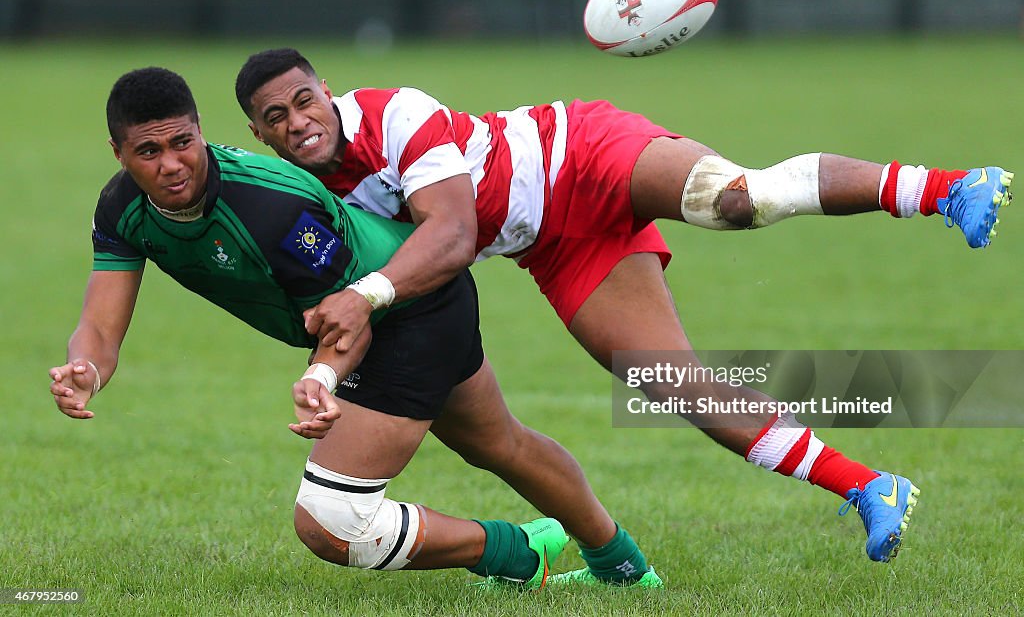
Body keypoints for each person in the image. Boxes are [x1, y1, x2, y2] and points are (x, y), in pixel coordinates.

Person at [231, 48, 1013, 566]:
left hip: (582, 151)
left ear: (326, 89)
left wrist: (365, 294)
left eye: (305, 100)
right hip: (558, 246)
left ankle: (949, 187)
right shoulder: (311, 193)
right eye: (277, 118)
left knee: (737, 199)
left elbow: (455, 231)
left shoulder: (397, 111)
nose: (298, 121)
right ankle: (870, 486)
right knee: (676, 387)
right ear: (260, 134)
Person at [48, 67, 664, 589]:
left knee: (332, 523)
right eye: (148, 153)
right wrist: (88, 370)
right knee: (498, 443)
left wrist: (322, 375)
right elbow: (99, 325)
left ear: (201, 132)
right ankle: (624, 569)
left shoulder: (271, 208)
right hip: (397, 311)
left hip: (405, 313)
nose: (172, 165)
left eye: (182, 143)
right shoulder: (120, 207)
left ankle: (523, 555)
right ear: (119, 154)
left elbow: (352, 316)